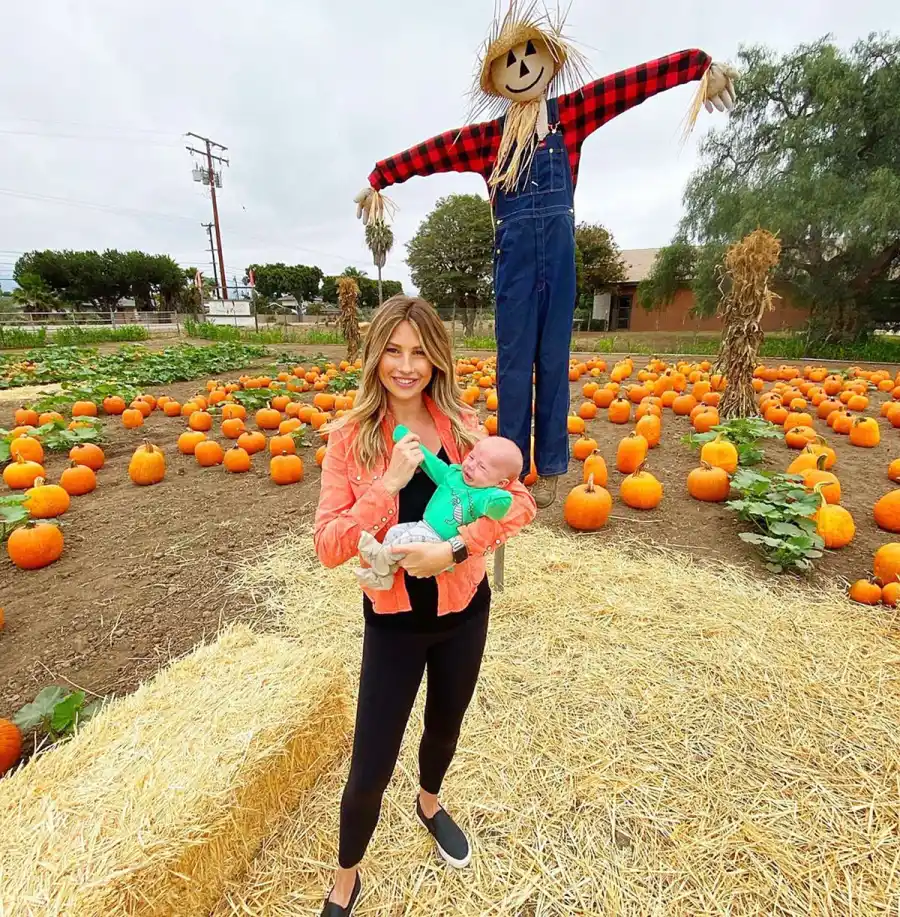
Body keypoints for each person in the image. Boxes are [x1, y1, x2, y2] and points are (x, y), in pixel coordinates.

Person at [354, 3, 737, 509]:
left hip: (558, 259)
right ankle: (508, 471)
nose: (521, 67)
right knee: (513, 366)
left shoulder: (571, 115)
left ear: (551, 62)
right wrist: (380, 178)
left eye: (530, 55)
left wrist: (697, 66)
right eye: (509, 62)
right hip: (512, 263)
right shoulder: (487, 140)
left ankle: (553, 466)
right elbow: (433, 152)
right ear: (496, 79)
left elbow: (631, 85)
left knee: (554, 360)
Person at [314, 294, 537, 915]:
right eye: (393, 351)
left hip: (464, 610)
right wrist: (386, 484)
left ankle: (430, 802)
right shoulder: (349, 438)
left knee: (445, 722)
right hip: (394, 623)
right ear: (375, 356)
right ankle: (346, 877)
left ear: (437, 357)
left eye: (419, 352)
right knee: (371, 760)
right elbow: (328, 545)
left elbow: (519, 504)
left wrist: (456, 550)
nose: (406, 366)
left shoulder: (463, 426)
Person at [355, 425, 523, 590]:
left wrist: (499, 500)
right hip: (425, 525)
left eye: (482, 467)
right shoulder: (453, 476)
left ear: (501, 483)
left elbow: (501, 510)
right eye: (471, 457)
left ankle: (379, 558)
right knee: (395, 532)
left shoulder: (485, 495)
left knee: (403, 543)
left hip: (439, 540)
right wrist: (407, 439)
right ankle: (384, 576)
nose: (471, 466)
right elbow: (431, 463)